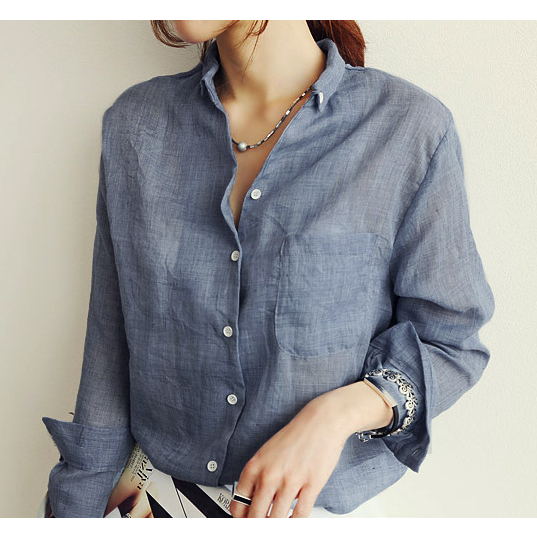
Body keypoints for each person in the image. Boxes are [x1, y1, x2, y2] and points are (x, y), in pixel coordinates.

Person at [41, 20, 495, 518]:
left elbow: (451, 342)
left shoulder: (406, 129)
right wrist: (74, 509)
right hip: (149, 502)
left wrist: (335, 414)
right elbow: (109, 345)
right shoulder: (135, 125)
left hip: (314, 512)